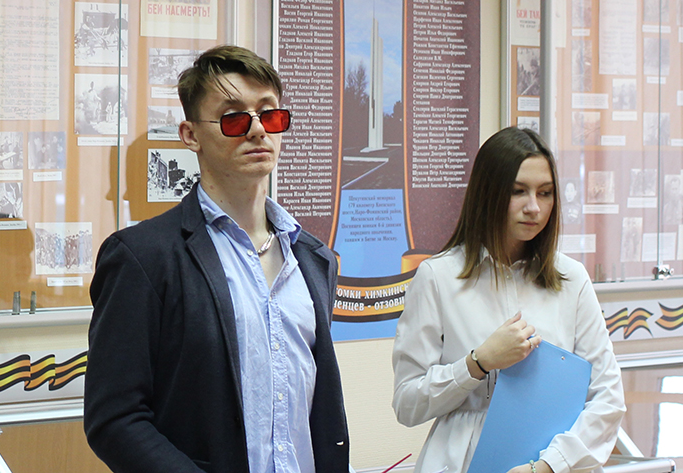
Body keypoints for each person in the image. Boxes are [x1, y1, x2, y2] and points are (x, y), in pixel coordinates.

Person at [85, 45, 350, 473]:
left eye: (269, 114)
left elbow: (317, 410)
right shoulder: (144, 258)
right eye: (234, 118)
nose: (258, 130)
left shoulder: (314, 259)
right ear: (191, 135)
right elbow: (114, 419)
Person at [392, 126, 624, 473]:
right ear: (488, 193)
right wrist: (477, 363)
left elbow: (607, 397)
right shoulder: (438, 277)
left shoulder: (572, 279)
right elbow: (407, 403)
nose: (534, 208)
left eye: (545, 193)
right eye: (518, 192)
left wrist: (547, 466)